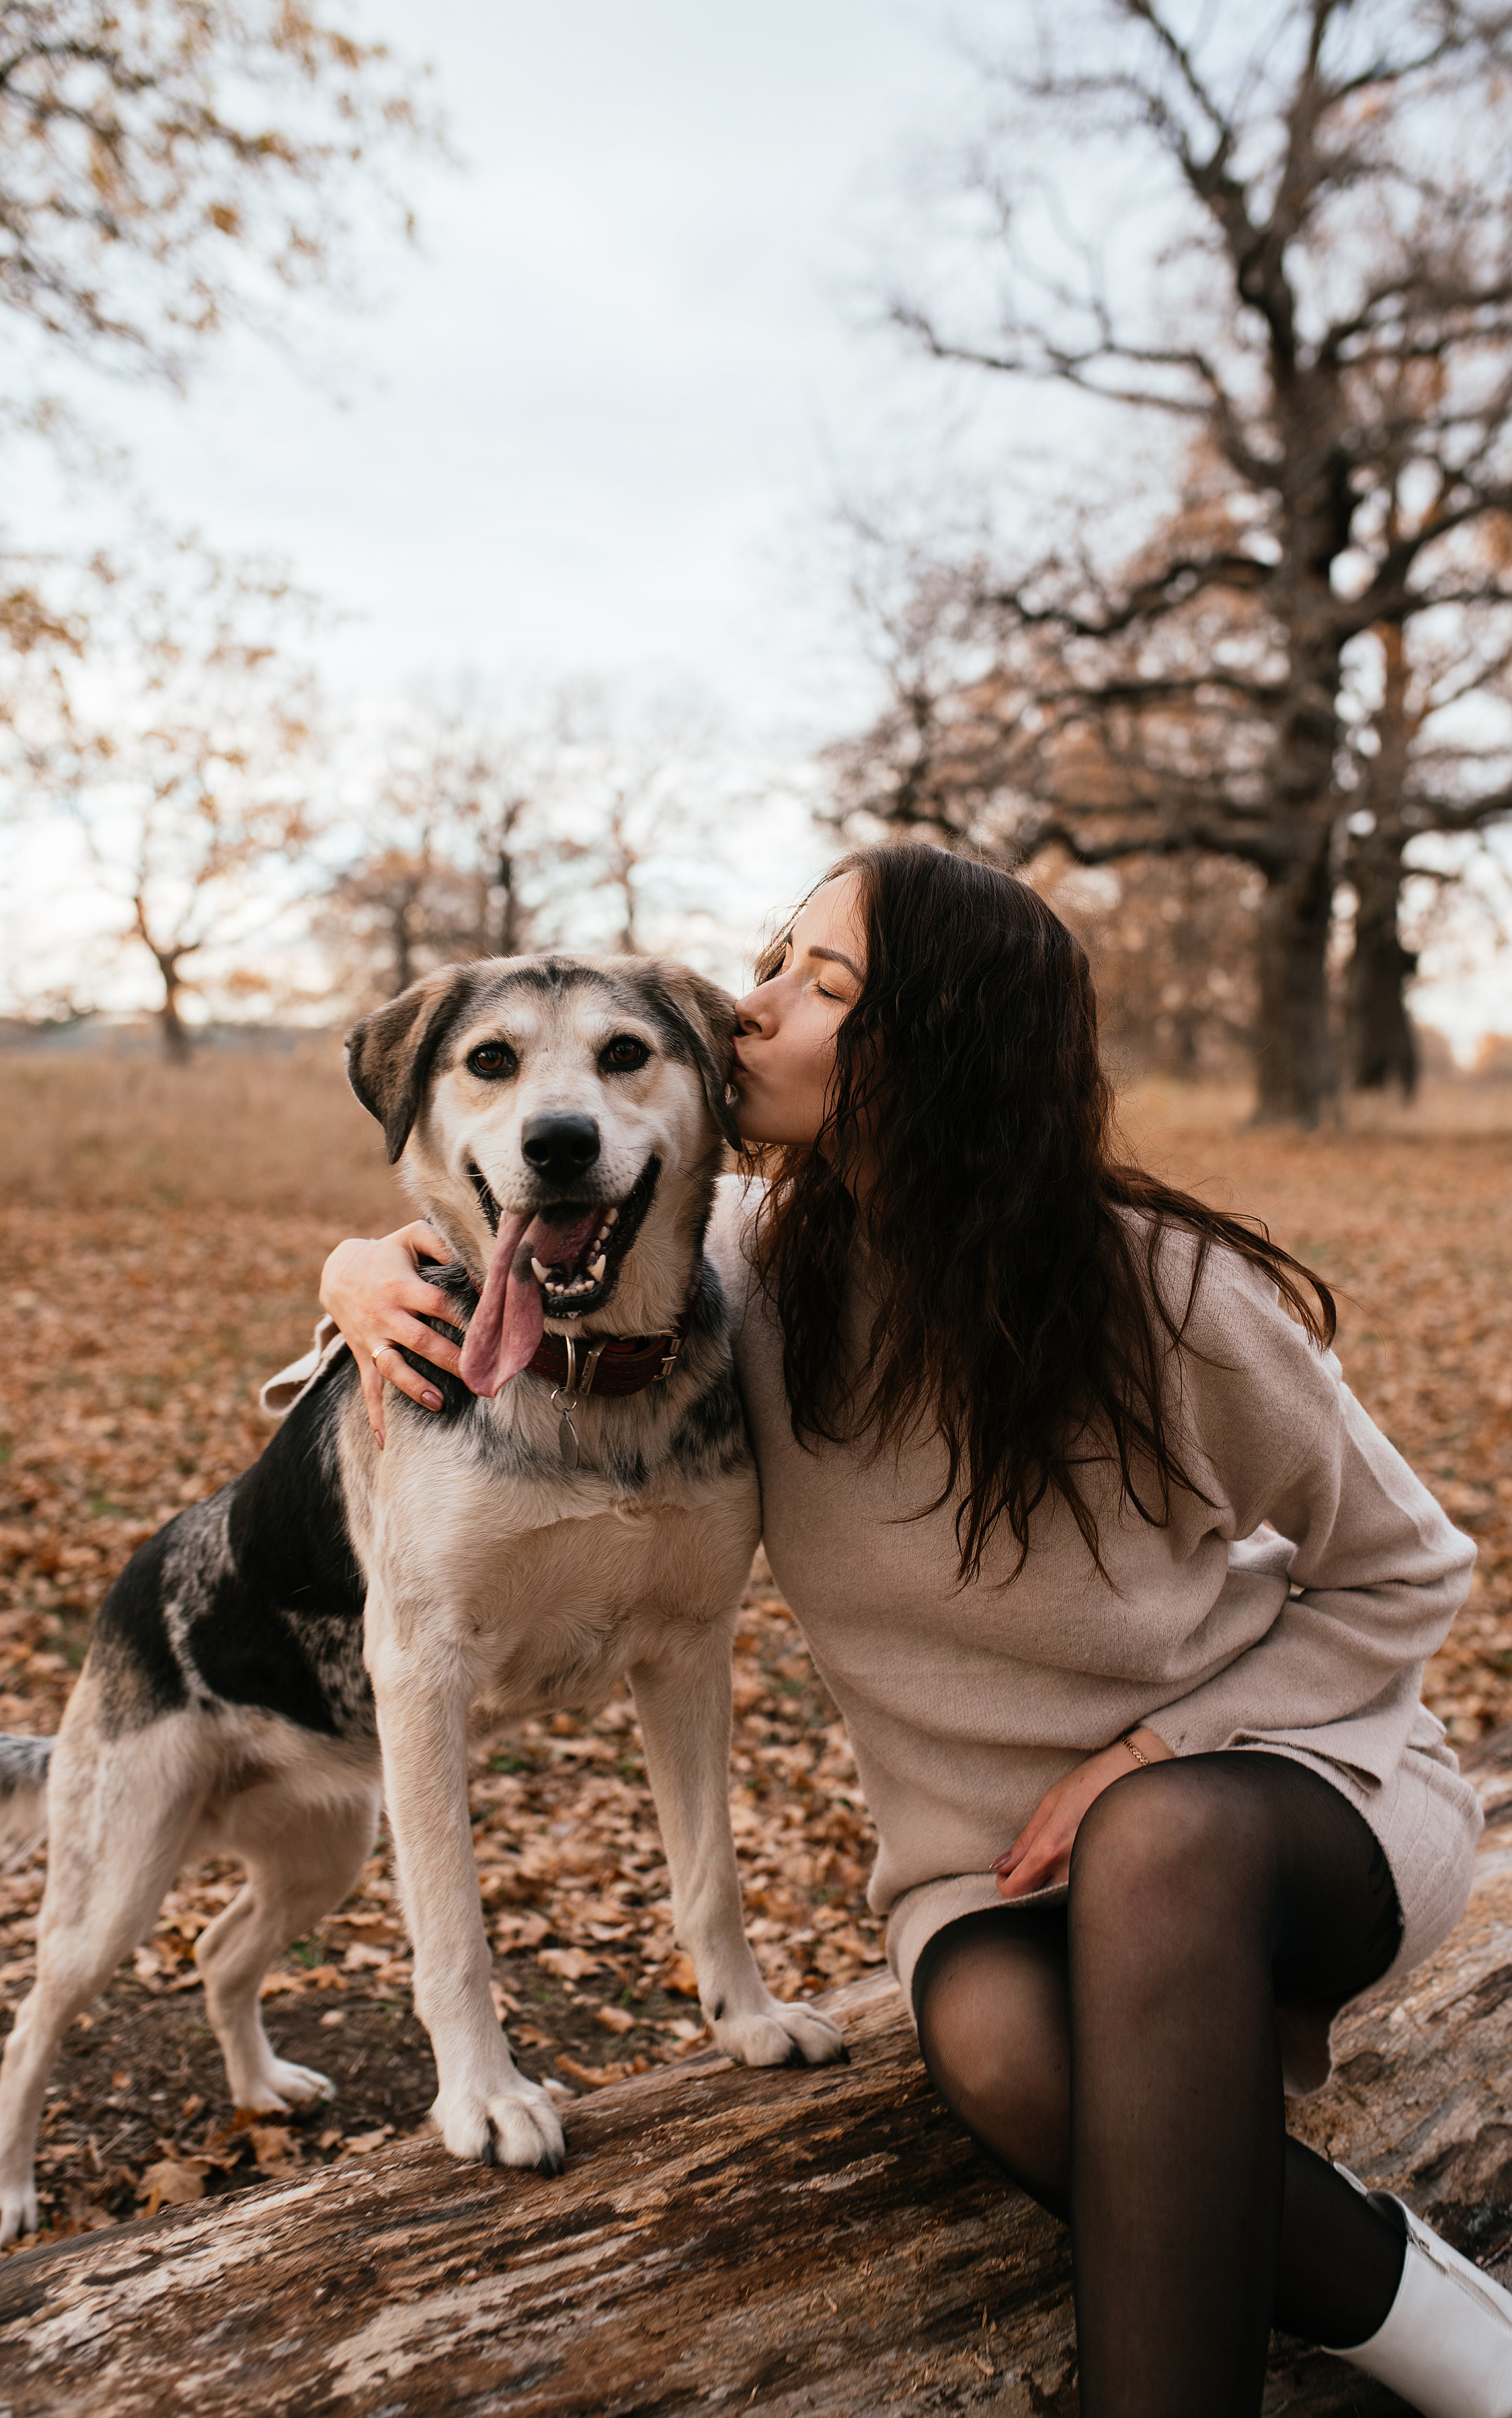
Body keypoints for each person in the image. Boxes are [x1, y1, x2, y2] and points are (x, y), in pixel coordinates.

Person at [310, 845, 1510, 2417]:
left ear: (935, 1047)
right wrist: (350, 1273)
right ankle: (1408, 2296)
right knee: (1013, 2065)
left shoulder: (1167, 1294)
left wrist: (1154, 1753)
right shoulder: (733, 1259)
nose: (749, 1013)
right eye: (769, 958)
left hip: (1279, 1796)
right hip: (984, 1871)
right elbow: (520, 1238)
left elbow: (1408, 1571)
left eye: (821, 987)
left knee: (1157, 1842)